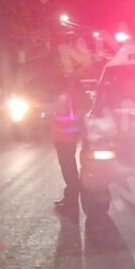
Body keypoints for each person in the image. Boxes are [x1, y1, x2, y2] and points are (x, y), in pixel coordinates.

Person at [51, 74, 85, 215]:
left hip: (64, 139)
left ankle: (71, 201)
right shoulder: (73, 97)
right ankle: (69, 198)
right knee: (69, 170)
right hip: (67, 139)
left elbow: (64, 117)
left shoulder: (65, 98)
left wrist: (51, 113)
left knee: (69, 171)